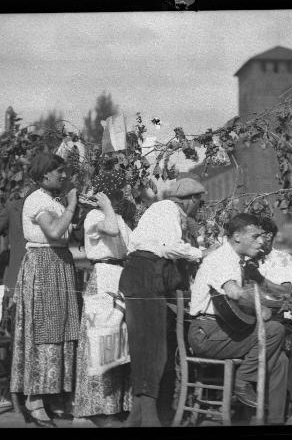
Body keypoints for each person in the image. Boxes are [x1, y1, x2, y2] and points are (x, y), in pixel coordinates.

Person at [118, 177, 205, 427]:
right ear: (190, 200)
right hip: (145, 276)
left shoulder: (164, 211)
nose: (198, 208)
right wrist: (201, 253)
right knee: (150, 347)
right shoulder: (168, 209)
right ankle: (149, 416)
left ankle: (137, 416)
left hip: (143, 276)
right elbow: (169, 247)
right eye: (198, 203)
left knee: (147, 344)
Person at [188, 213, 289, 425]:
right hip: (207, 335)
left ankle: (267, 419)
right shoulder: (222, 258)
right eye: (255, 236)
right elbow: (234, 292)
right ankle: (242, 382)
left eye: (262, 236)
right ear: (236, 237)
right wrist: (260, 308)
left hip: (221, 331)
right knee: (274, 330)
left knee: (279, 360)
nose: (261, 241)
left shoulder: (233, 259)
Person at [9, 152, 81, 427]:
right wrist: (73, 205)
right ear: (44, 175)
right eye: (59, 171)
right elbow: (53, 232)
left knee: (61, 330)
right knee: (45, 330)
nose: (64, 176)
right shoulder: (37, 200)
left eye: (64, 171)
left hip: (59, 265)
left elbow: (65, 233)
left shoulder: (51, 200)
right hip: (44, 266)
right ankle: (35, 400)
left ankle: (52, 397)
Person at [72, 178, 132, 427]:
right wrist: (105, 206)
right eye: (116, 193)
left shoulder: (117, 217)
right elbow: (112, 230)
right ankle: (95, 408)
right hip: (104, 276)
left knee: (118, 342)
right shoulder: (94, 217)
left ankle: (115, 406)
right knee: (100, 340)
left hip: (120, 277)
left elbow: (130, 243)